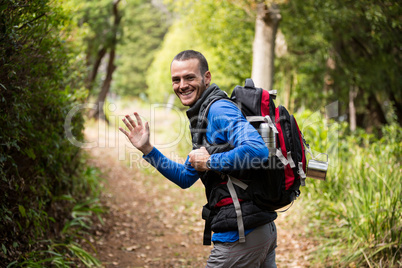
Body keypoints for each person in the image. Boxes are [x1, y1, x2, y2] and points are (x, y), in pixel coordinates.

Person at [119, 50, 277, 267]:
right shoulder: (203, 114)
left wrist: (210, 162)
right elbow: (185, 177)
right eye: (176, 80)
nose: (182, 85)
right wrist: (147, 149)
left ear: (207, 77)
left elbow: (257, 150)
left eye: (189, 77)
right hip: (257, 229)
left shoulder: (218, 109)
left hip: (241, 234)